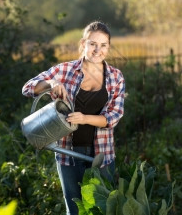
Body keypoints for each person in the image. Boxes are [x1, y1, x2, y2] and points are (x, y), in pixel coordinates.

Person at [22, 21, 125, 215]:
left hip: (102, 154)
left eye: (103, 45)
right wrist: (50, 83)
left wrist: (85, 118)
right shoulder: (65, 70)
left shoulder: (115, 77)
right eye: (93, 44)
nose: (98, 50)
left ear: (108, 48)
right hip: (68, 153)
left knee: (102, 210)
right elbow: (27, 88)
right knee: (75, 209)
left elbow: (114, 116)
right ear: (83, 43)